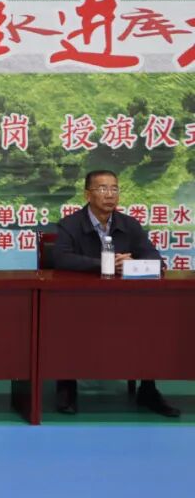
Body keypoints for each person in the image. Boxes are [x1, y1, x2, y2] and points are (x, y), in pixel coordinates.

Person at [52, 169, 179, 418]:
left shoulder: (129, 225)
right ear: (87, 194)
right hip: (81, 303)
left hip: (124, 303)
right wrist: (105, 263)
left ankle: (148, 389)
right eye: (102, 189)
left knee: (151, 322)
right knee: (65, 319)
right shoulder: (70, 224)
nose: (110, 194)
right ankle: (66, 384)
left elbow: (156, 260)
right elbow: (60, 258)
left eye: (114, 189)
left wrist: (131, 263)